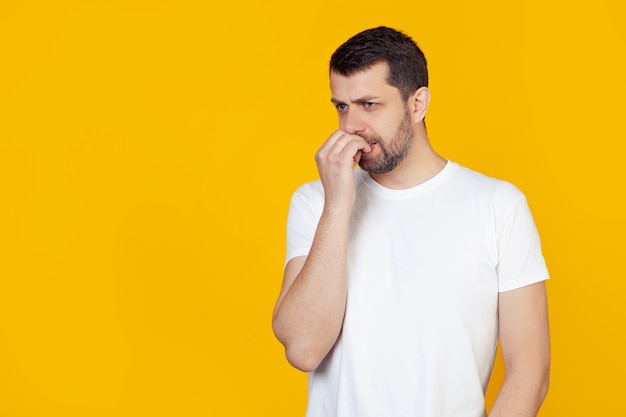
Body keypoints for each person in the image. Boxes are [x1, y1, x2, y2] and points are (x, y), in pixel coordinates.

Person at [272, 26, 550, 417]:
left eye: (369, 104)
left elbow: (529, 372)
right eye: (341, 106)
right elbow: (303, 348)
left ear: (417, 104)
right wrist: (337, 206)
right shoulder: (315, 201)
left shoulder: (498, 206)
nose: (350, 125)